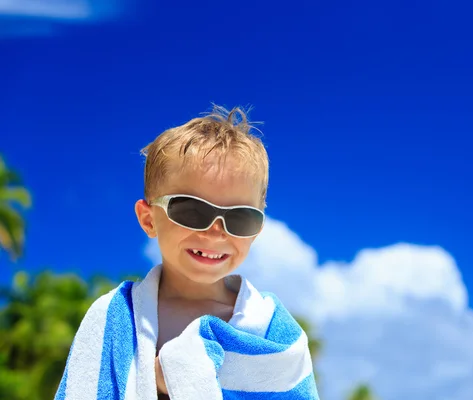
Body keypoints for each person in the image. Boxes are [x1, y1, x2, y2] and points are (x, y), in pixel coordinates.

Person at [54, 105, 319, 400]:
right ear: (148, 219)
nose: (216, 231)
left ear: (256, 230)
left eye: (239, 218)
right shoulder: (111, 320)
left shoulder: (274, 333)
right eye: (191, 211)